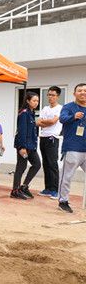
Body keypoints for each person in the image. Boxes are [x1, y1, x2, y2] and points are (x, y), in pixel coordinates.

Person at [57, 83, 86, 213]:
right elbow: (62, 119)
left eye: (85, 91)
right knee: (67, 176)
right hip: (72, 148)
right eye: (80, 90)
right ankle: (63, 201)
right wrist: (73, 117)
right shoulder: (68, 107)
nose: (83, 93)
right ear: (74, 93)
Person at [11, 91, 41, 200]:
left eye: (37, 101)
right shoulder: (24, 113)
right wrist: (22, 147)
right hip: (24, 146)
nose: (36, 103)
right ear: (28, 101)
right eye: (34, 100)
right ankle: (15, 190)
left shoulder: (31, 113)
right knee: (21, 167)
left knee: (37, 164)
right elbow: (22, 131)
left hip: (31, 146)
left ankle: (24, 187)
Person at [37, 86, 63, 199]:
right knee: (46, 163)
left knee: (52, 164)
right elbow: (38, 122)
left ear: (57, 96)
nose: (50, 97)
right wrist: (45, 122)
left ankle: (55, 190)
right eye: (49, 94)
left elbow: (53, 122)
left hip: (53, 138)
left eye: (52, 95)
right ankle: (48, 188)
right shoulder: (45, 108)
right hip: (43, 137)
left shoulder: (60, 108)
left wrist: (45, 122)